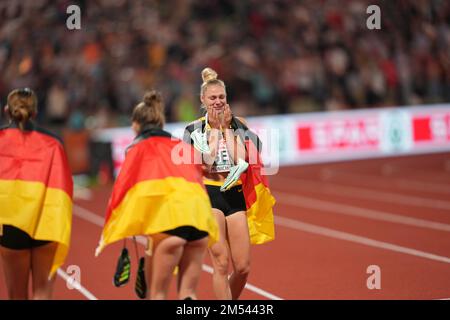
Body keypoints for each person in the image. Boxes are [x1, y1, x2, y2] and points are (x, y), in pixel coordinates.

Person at [96, 90, 218, 300]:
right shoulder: (182, 145)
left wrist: (116, 227)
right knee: (188, 293)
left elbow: (124, 189)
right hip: (200, 219)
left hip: (169, 222)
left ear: (135, 124)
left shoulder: (135, 148)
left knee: (157, 294)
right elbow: (207, 171)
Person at [183, 68, 276, 300]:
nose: (217, 102)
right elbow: (205, 162)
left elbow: (242, 160)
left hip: (234, 196)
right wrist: (213, 131)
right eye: (212, 98)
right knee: (221, 264)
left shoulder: (238, 124)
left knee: (243, 267)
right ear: (202, 100)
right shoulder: (193, 129)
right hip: (209, 196)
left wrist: (226, 129)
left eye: (221, 97)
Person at [0, 88, 73, 299]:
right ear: (35, 112)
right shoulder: (54, 143)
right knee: (43, 293)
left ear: (7, 110)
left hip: (11, 228)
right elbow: (64, 190)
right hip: (46, 225)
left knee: (16, 295)